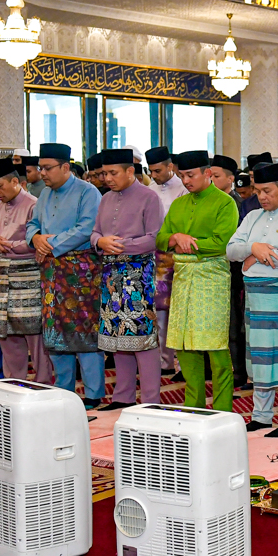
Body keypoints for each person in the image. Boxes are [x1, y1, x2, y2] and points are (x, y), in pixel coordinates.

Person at [155, 150, 240, 411]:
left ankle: (224, 409)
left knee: (215, 346)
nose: (186, 181)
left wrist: (185, 242)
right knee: (185, 345)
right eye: (182, 176)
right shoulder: (179, 204)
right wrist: (174, 238)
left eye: (191, 175)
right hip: (182, 279)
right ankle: (194, 407)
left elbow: (221, 243)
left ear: (207, 173)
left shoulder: (225, 203)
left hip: (211, 278)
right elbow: (160, 238)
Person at [227, 162, 278, 438]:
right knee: (260, 357)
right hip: (256, 297)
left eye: (268, 191)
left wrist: (255, 256)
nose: (262, 197)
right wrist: (253, 248)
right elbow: (231, 250)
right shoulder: (252, 218)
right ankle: (261, 416)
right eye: (259, 191)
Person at [27, 143, 104, 407]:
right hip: (51, 272)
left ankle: (94, 394)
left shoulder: (88, 192)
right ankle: (64, 390)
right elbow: (32, 224)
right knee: (55, 332)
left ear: (65, 167)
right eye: (41, 168)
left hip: (81, 273)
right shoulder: (44, 195)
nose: (43, 173)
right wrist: (35, 238)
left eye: (48, 168)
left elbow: (87, 228)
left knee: (84, 332)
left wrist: (51, 244)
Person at [92, 148, 165, 408]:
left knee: (142, 337)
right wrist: (100, 241)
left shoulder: (149, 197)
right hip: (111, 274)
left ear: (130, 171)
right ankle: (122, 397)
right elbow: (95, 233)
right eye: (104, 174)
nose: (108, 178)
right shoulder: (105, 199)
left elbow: (154, 238)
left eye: (113, 173)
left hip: (138, 275)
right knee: (117, 335)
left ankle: (150, 400)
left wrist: (121, 246)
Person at [0, 158, 50, 383]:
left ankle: (42, 384)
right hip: (1, 280)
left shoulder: (33, 204)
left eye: (0, 186)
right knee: (6, 334)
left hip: (27, 278)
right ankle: (14, 383)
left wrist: (6, 245)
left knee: (35, 337)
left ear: (15, 181)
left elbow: (38, 242)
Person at [146, 145, 187, 379]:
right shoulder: (150, 190)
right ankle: (165, 361)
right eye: (151, 171)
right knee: (160, 312)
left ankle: (183, 364)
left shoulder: (184, 189)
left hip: (180, 258)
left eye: (158, 170)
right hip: (157, 258)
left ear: (170, 166)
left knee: (179, 311)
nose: (154, 175)